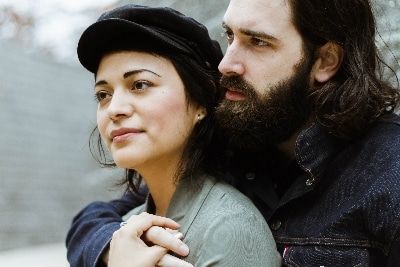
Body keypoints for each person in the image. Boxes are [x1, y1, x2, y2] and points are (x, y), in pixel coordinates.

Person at [67, 0, 400, 266]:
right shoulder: (234, 141)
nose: (227, 64)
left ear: (325, 61)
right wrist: (113, 248)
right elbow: (99, 216)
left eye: (257, 42)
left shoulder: (389, 174)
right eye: (230, 37)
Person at [67, 4, 281, 267]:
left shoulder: (230, 229)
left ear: (200, 104)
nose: (115, 109)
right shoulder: (128, 229)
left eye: (140, 85)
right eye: (103, 95)